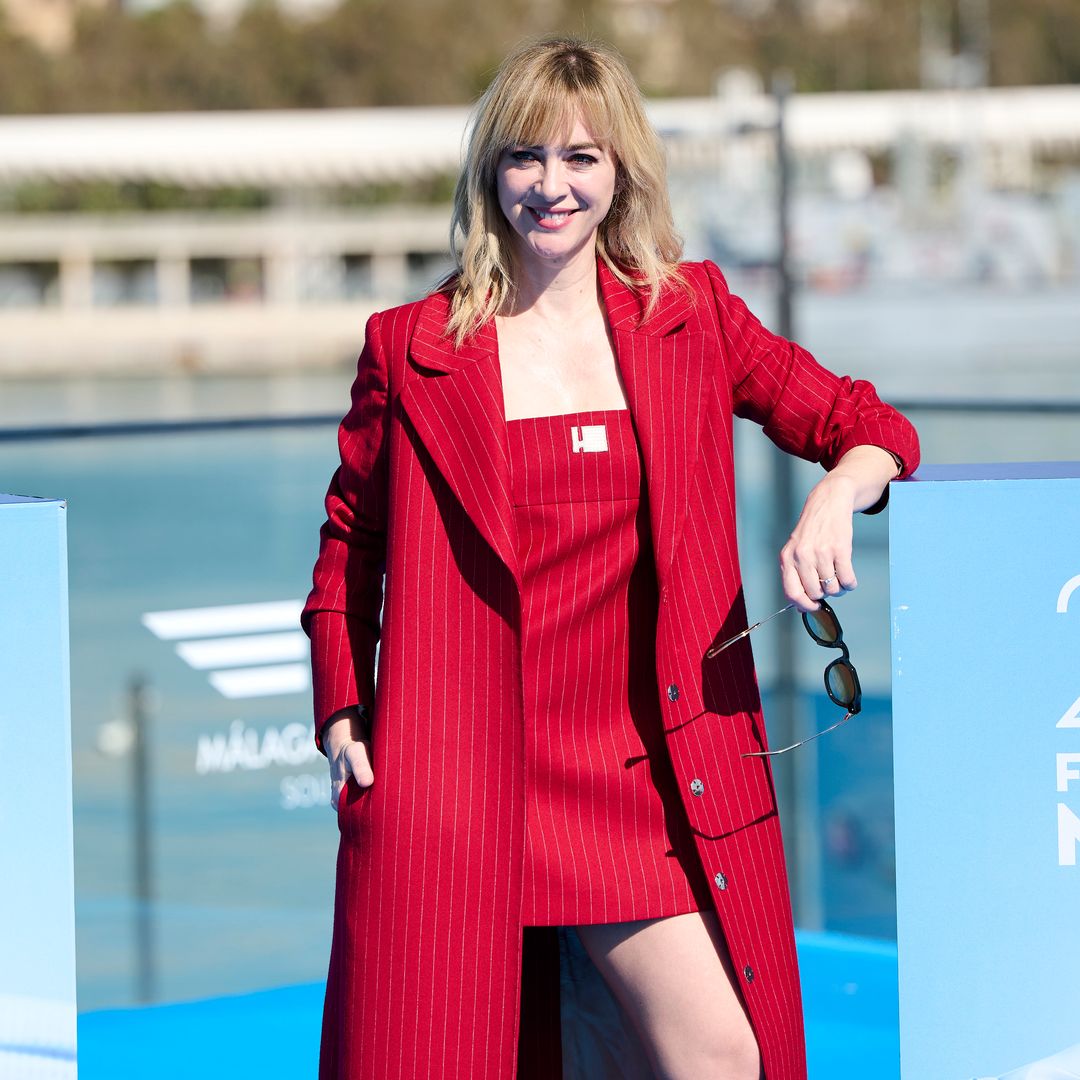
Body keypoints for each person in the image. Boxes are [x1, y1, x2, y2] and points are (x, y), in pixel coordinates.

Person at [301, 35, 920, 1080]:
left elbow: (866, 424)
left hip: (641, 776)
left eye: (581, 160)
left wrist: (836, 499)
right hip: (460, 775)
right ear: (490, 171)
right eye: (526, 158)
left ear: (622, 169)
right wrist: (340, 706)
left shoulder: (691, 314)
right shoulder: (413, 344)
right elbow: (347, 553)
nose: (552, 187)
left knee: (721, 1055)